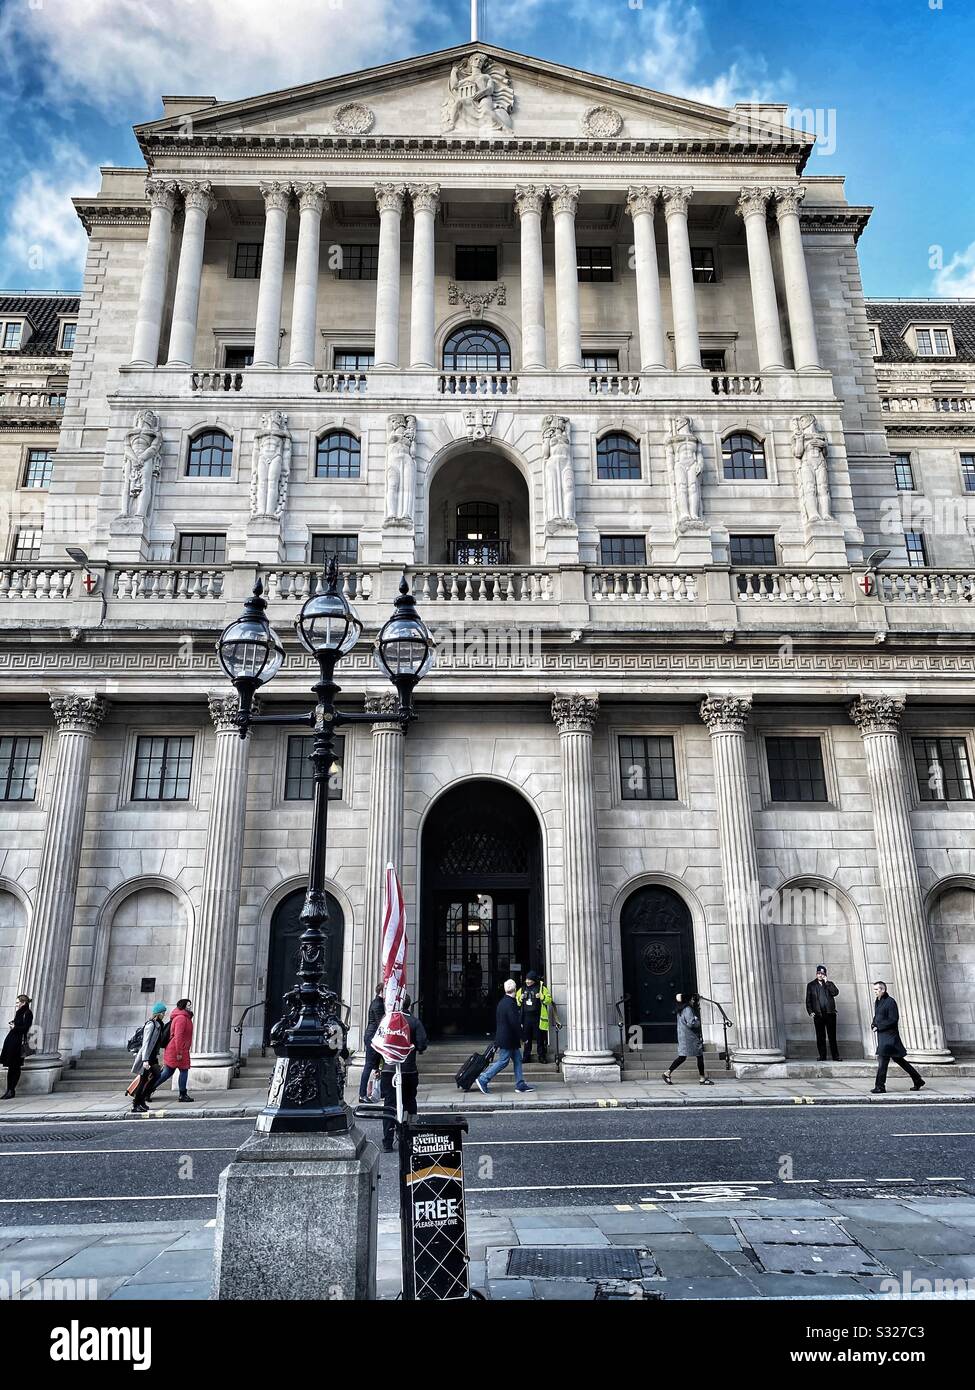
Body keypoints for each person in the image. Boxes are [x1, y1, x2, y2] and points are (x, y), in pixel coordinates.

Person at [380, 995, 428, 1152]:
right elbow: (422, 1044)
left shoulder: (387, 1020)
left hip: (389, 1069)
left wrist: (375, 1066)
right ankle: (410, 1138)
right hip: (408, 1070)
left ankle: (387, 1141)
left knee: (389, 1105)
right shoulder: (414, 1022)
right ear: (408, 1005)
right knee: (410, 1103)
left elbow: (377, 1043)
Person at [477, 980, 536, 1095]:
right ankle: (483, 1079)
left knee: (518, 1060)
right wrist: (524, 1037)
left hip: (508, 1039)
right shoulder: (510, 1004)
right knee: (503, 1061)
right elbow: (515, 1023)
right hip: (508, 1039)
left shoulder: (503, 1002)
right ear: (515, 989)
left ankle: (520, 1084)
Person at [871, 981, 924, 1095]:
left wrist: (879, 1026)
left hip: (890, 1037)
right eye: (874, 989)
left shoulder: (890, 1002)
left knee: (883, 1061)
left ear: (883, 990)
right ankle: (918, 1080)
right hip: (883, 1036)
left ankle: (880, 1086)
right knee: (899, 1060)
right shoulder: (878, 1001)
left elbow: (893, 1019)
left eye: (877, 989)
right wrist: (874, 1024)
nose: (875, 992)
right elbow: (877, 1015)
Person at [662, 992, 713, 1086]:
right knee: (699, 1055)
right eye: (692, 999)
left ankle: (667, 1073)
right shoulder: (688, 1009)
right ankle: (702, 1078)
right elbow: (691, 1023)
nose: (693, 1001)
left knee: (682, 1057)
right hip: (690, 1037)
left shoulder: (680, 1009)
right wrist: (697, 1020)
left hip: (683, 1036)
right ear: (688, 1000)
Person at [151, 998, 194, 1102]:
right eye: (188, 1005)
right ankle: (182, 1094)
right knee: (183, 1071)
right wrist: (179, 1052)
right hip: (177, 1050)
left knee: (167, 1073)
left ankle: (148, 1090)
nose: (190, 1007)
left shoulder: (183, 1017)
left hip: (178, 1049)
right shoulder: (181, 1018)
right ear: (183, 1006)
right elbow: (178, 1037)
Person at [129, 1002, 167, 1114]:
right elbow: (145, 1043)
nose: (164, 1014)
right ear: (158, 1013)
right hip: (147, 1057)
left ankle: (141, 1100)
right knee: (143, 1080)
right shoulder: (151, 1025)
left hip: (153, 1057)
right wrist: (145, 1060)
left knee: (157, 1075)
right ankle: (136, 1104)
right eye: (163, 1012)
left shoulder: (159, 1024)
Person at [517, 970, 556, 1063]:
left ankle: (541, 1057)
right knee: (526, 1039)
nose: (527, 981)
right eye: (527, 979)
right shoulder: (522, 989)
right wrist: (520, 998)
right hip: (526, 1018)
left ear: (534, 980)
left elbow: (549, 1000)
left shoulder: (542, 988)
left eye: (529, 980)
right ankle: (526, 1056)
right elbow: (517, 1001)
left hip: (538, 1017)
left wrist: (542, 996)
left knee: (540, 1038)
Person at [805, 964, 841, 1062]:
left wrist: (827, 982)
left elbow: (835, 993)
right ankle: (822, 1056)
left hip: (830, 1014)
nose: (820, 975)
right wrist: (810, 1011)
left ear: (825, 974)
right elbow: (808, 1000)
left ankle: (836, 1056)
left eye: (822, 973)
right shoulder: (811, 985)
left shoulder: (830, 984)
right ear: (816, 974)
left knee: (832, 1036)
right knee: (820, 1036)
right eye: (818, 973)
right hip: (818, 1014)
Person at [358, 982, 386, 1105]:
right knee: (369, 1065)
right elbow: (381, 1023)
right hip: (373, 1038)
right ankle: (362, 1094)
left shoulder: (377, 1003)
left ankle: (380, 1091)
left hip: (373, 1036)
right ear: (381, 991)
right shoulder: (378, 1004)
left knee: (377, 1065)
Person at [1, 994, 33, 1099]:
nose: (16, 1005)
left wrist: (15, 1027)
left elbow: (25, 1028)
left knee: (15, 1067)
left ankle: (11, 1090)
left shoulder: (27, 1013)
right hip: (12, 1041)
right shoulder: (19, 1012)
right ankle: (9, 1090)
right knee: (11, 1067)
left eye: (18, 1002)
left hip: (18, 1043)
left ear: (23, 1003)